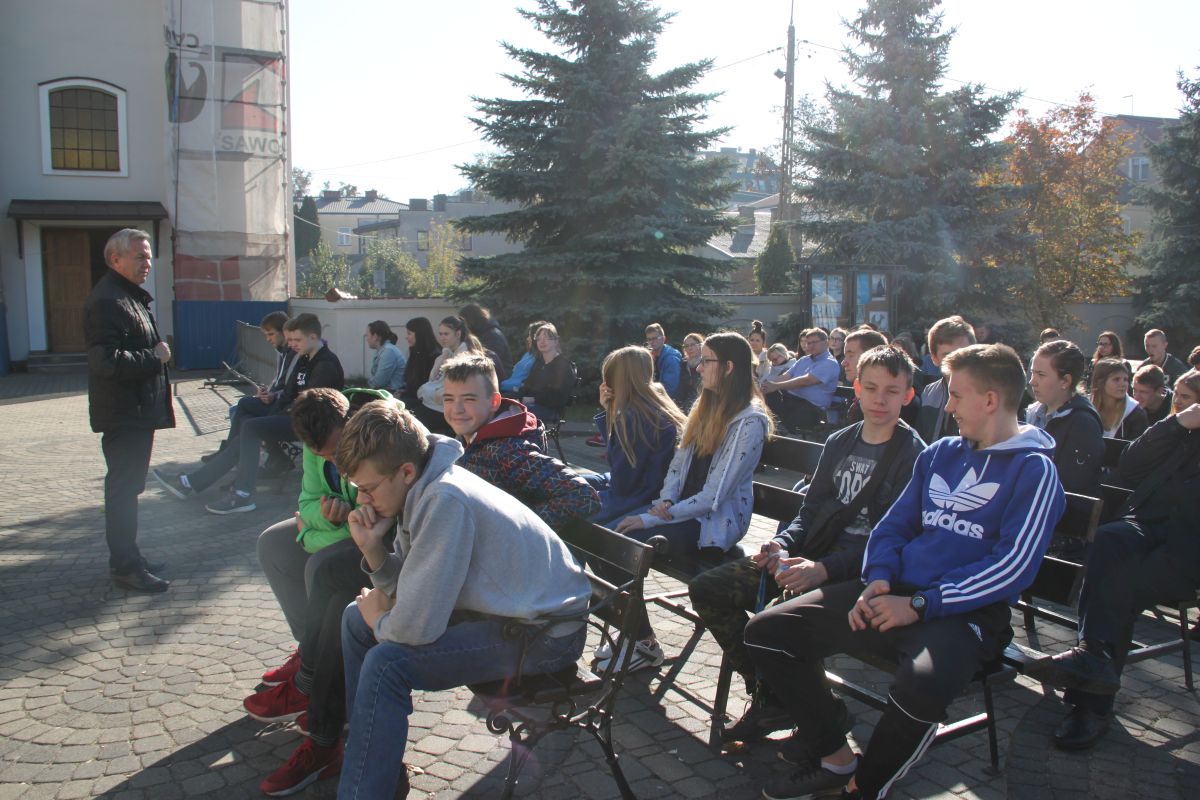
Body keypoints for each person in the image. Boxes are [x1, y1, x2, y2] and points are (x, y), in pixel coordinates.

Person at [745, 343, 1065, 800]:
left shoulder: (1034, 471)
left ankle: (866, 787)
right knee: (767, 632)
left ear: (991, 400)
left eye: (956, 395)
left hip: (964, 615)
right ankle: (836, 758)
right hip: (894, 594)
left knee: (923, 681)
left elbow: (1011, 566)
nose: (948, 406)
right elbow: (893, 527)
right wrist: (877, 577)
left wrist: (919, 604)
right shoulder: (941, 453)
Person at [335, 402, 591, 798]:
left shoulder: (443, 498)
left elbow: (415, 628)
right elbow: (410, 589)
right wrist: (373, 550)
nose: (363, 501)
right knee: (357, 619)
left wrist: (379, 622)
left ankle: (364, 791)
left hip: (546, 636)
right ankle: (375, 767)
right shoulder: (424, 485)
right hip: (509, 619)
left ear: (405, 471)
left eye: (367, 489)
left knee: (386, 663)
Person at [688, 345, 925, 744]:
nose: (880, 399)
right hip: (811, 556)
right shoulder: (841, 441)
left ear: (908, 396)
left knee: (774, 620)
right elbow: (809, 511)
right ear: (857, 389)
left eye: (892, 390)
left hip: (859, 576)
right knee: (707, 588)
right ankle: (776, 697)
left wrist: (823, 570)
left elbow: (893, 543)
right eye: (871, 388)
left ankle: (801, 709)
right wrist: (781, 544)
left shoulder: (914, 455)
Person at [1028, 392, 1200, 751]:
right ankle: (1094, 656)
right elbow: (1132, 464)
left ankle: (1090, 702)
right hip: (1147, 525)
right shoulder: (1186, 431)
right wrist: (1176, 423)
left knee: (1117, 584)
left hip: (1189, 550)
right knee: (1109, 540)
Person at [247, 387, 391, 796]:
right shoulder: (319, 441)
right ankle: (308, 657)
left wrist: (316, 530)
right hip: (343, 534)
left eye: (335, 451)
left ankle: (312, 685)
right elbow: (308, 500)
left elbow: (375, 516)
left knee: (324, 569)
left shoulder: (376, 433)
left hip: (377, 544)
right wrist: (324, 523)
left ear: (349, 423)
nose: (332, 460)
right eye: (321, 455)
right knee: (274, 544)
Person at [605, 332, 773, 672]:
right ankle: (636, 635)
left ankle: (642, 643)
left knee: (616, 544)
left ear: (728, 367)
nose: (697, 368)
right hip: (681, 512)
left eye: (706, 361)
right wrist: (665, 500)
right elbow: (678, 465)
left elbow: (714, 497)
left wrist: (651, 518)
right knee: (604, 538)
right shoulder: (705, 405)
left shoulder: (749, 420)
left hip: (711, 524)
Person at [155, 313, 345, 514]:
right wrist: (270, 419)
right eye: (291, 340)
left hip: (314, 423)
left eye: (297, 340)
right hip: (296, 417)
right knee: (248, 428)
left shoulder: (326, 364)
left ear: (313, 337)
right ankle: (192, 483)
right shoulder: (305, 359)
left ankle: (241, 494)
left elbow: (310, 405)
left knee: (251, 428)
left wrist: (270, 424)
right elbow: (288, 395)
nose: (292, 345)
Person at [86, 228, 175, 593]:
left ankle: (130, 557)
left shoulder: (128, 296)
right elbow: (105, 362)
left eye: (149, 256)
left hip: (135, 412)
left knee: (128, 488)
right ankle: (125, 566)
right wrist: (154, 358)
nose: (147, 263)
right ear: (115, 260)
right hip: (124, 415)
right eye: (140, 257)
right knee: (122, 491)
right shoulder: (108, 300)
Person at [441, 353, 599, 526]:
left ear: (494, 402)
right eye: (449, 399)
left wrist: (513, 529)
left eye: (469, 399)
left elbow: (582, 495)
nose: (457, 409)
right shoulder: (467, 440)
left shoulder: (509, 451)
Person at [585, 346, 687, 525]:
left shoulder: (632, 418)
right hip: (644, 486)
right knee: (572, 482)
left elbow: (622, 483)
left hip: (637, 495)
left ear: (617, 381)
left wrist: (613, 415)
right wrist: (611, 411)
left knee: (567, 499)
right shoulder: (656, 403)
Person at [202, 310, 297, 463]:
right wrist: (266, 391)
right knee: (243, 415)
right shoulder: (282, 352)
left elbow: (293, 387)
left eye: (271, 334)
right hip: (279, 402)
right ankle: (274, 458)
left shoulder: (295, 354)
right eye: (266, 335)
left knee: (244, 405)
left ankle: (229, 453)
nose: (268, 339)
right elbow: (279, 379)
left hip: (286, 407)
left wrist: (273, 395)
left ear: (284, 332)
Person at [1025, 340, 1105, 496]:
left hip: (1060, 505)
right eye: (1032, 373)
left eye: (1041, 375)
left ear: (1065, 381)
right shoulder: (1033, 413)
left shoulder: (1083, 424)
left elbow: (1071, 484)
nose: (1032, 381)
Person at [414, 315, 485, 434]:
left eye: (446, 334)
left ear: (458, 334)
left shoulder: (465, 357)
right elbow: (433, 379)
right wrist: (442, 358)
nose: (442, 338)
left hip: (453, 410)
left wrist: (430, 392)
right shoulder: (448, 354)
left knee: (410, 421)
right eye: (440, 334)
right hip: (438, 405)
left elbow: (453, 390)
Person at [761, 328, 840, 433]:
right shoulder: (804, 360)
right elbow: (786, 376)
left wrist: (776, 386)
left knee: (777, 398)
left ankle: (778, 427)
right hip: (792, 401)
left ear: (826, 342)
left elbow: (806, 381)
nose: (810, 345)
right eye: (808, 343)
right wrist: (767, 386)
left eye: (814, 342)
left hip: (812, 408)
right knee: (768, 393)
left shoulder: (829, 363)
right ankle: (772, 426)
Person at [917, 315, 976, 443]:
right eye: (948, 356)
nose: (957, 361)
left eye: (963, 353)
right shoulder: (929, 394)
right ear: (934, 359)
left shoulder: (985, 393)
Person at [521, 322, 576, 423]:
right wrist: (516, 398)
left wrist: (534, 399)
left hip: (550, 411)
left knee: (518, 413)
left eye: (546, 338)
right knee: (506, 405)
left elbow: (558, 398)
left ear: (555, 341)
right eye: (539, 339)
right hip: (532, 407)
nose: (542, 341)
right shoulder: (539, 363)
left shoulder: (563, 365)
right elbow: (527, 387)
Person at [841, 328, 889, 425]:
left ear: (871, 357)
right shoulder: (860, 395)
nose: (843, 363)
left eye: (851, 355)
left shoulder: (879, 403)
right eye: (845, 356)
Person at [1091, 358, 1147, 439]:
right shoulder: (1086, 408)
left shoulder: (1136, 414)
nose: (1123, 384)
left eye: (1125, 379)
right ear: (1100, 382)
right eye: (1116, 379)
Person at [459, 303, 513, 375]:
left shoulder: (492, 335)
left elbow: (489, 362)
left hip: (499, 375)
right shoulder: (479, 333)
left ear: (470, 320)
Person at [499, 319, 548, 395]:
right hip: (505, 387)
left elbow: (530, 385)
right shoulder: (528, 354)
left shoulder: (541, 359)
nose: (528, 338)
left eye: (530, 335)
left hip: (514, 392)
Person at [400, 317, 439, 409]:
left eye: (409, 333)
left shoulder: (434, 357)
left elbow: (427, 387)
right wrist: (403, 391)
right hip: (412, 398)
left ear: (419, 334)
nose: (406, 337)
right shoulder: (415, 352)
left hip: (425, 403)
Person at [645, 322, 684, 402]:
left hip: (669, 402)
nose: (651, 342)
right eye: (649, 339)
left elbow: (669, 390)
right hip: (656, 398)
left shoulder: (671, 358)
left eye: (655, 338)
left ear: (663, 339)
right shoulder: (649, 356)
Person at [365, 320, 406, 393]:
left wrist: (365, 387)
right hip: (388, 392)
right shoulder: (384, 350)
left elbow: (379, 382)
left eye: (367, 335)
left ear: (375, 336)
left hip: (393, 394)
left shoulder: (388, 351)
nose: (367, 339)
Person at [677, 332, 705, 410]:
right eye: (686, 346)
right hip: (682, 405)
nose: (689, 348)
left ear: (700, 345)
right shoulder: (682, 365)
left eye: (692, 345)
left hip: (700, 404)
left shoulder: (706, 363)